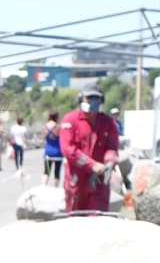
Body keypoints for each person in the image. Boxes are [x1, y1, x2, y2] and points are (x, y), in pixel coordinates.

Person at [59, 84, 120, 212]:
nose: (93, 102)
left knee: (97, 220)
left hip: (99, 182)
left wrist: (110, 162)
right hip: (76, 181)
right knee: (75, 220)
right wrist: (91, 165)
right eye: (89, 98)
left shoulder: (108, 123)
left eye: (96, 99)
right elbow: (68, 150)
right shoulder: (70, 120)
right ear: (81, 99)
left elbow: (112, 147)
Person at [42, 110, 63, 186]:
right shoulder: (58, 127)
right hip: (57, 153)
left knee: (46, 171)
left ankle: (43, 186)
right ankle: (55, 189)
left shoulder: (45, 126)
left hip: (48, 153)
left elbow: (44, 138)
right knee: (56, 172)